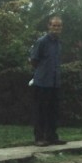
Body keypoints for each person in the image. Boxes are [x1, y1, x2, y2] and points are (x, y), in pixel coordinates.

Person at [29, 16, 66, 147]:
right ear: (49, 26)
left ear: (61, 28)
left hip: (55, 82)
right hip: (42, 82)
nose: (56, 28)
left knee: (53, 111)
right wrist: (42, 72)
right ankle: (39, 138)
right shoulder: (42, 41)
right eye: (54, 25)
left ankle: (51, 136)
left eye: (59, 26)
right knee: (40, 111)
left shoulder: (58, 43)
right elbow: (34, 60)